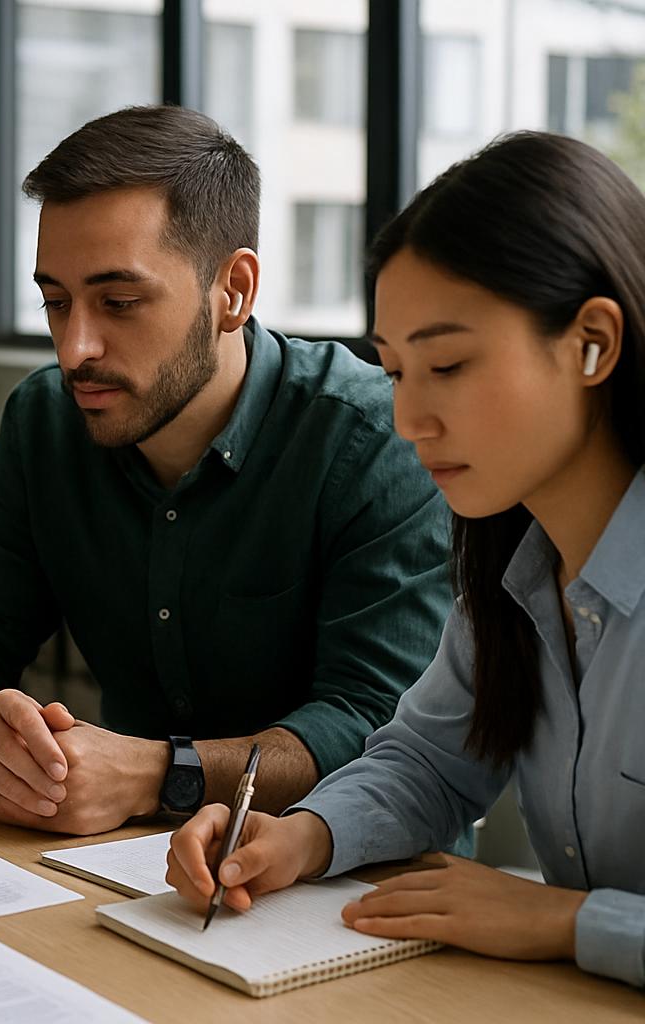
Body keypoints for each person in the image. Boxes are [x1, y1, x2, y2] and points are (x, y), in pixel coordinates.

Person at [165, 131, 645, 989]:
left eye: (450, 365)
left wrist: (571, 920)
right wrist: (301, 836)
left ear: (593, 344)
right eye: (393, 371)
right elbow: (429, 761)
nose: (409, 417)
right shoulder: (514, 566)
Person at [0, 105, 451, 835]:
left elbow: (376, 728)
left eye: (119, 302)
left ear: (234, 291)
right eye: (55, 303)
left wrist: (158, 774)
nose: (74, 349)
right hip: (122, 863)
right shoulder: (44, 421)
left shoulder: (372, 439)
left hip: (352, 876)